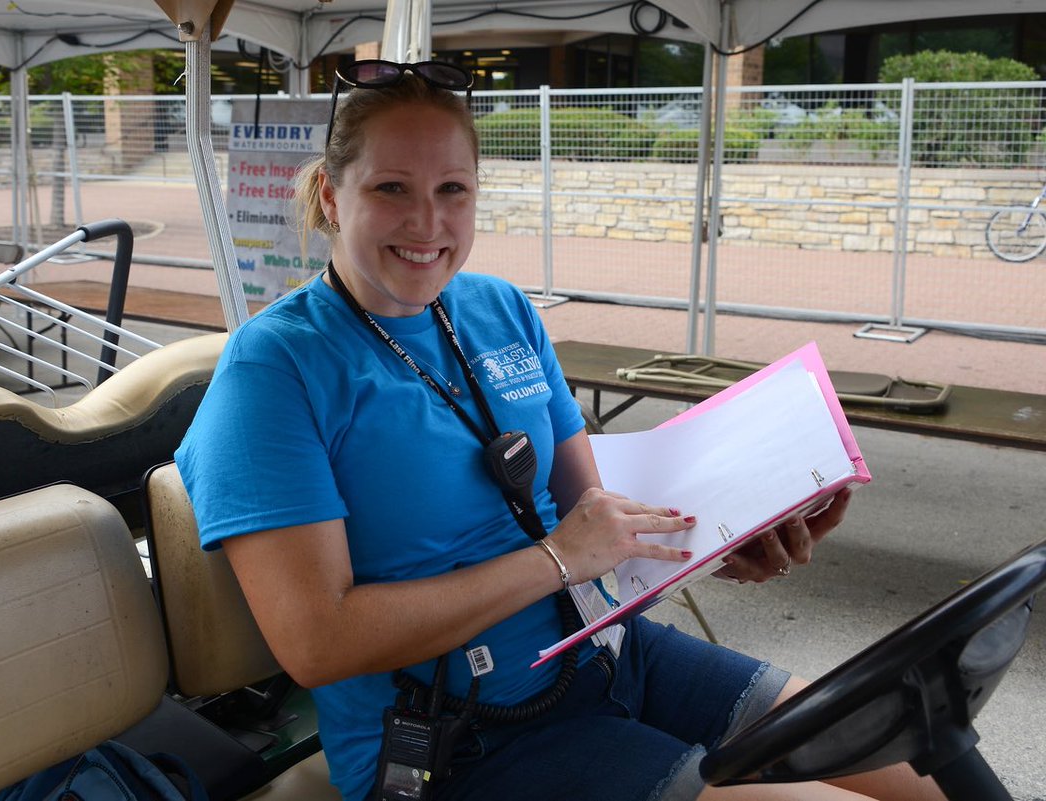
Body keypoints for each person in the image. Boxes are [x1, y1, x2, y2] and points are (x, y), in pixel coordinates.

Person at [175, 62, 945, 801]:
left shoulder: (499, 307)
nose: (428, 223)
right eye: (391, 189)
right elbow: (317, 641)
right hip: (462, 740)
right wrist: (553, 560)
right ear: (330, 194)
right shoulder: (275, 367)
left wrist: (718, 540)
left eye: (453, 190)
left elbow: (592, 512)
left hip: (609, 654)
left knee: (919, 758)